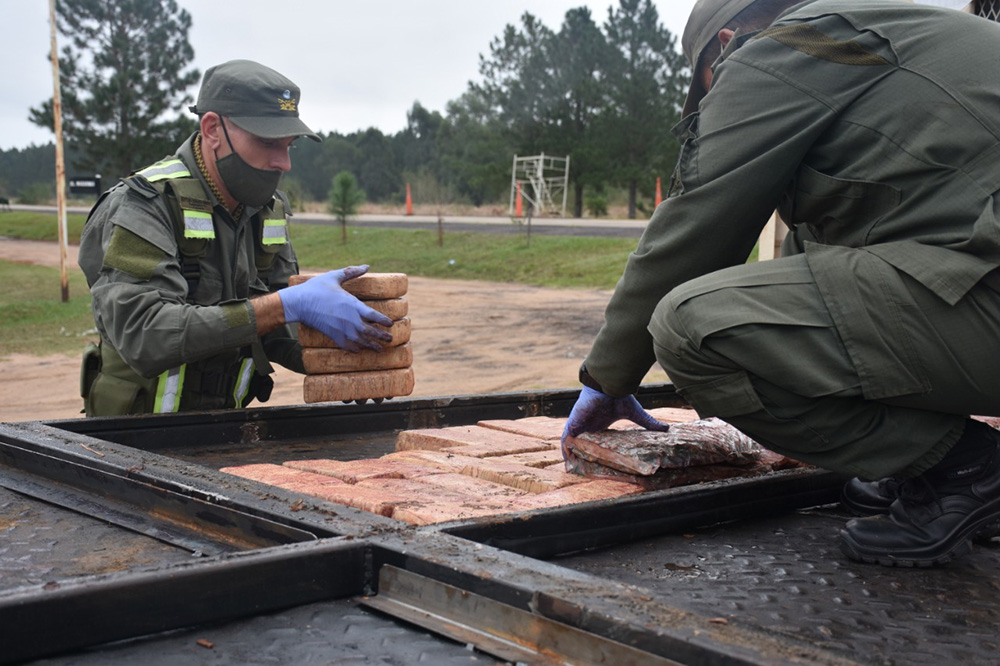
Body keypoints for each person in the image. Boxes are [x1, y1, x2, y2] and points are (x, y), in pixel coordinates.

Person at [562, 0, 1000, 567]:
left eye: (708, 89)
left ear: (724, 46)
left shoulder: (780, 49)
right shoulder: (888, 41)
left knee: (693, 330)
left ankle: (967, 467)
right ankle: (927, 467)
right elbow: (826, 264)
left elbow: (698, 220)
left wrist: (608, 377)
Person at [78, 60, 392, 416]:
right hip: (133, 440)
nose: (283, 162)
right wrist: (285, 304)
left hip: (227, 431)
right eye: (268, 142)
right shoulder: (143, 204)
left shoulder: (263, 209)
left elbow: (275, 332)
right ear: (212, 128)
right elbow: (146, 334)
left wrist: (347, 357)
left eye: (289, 145)